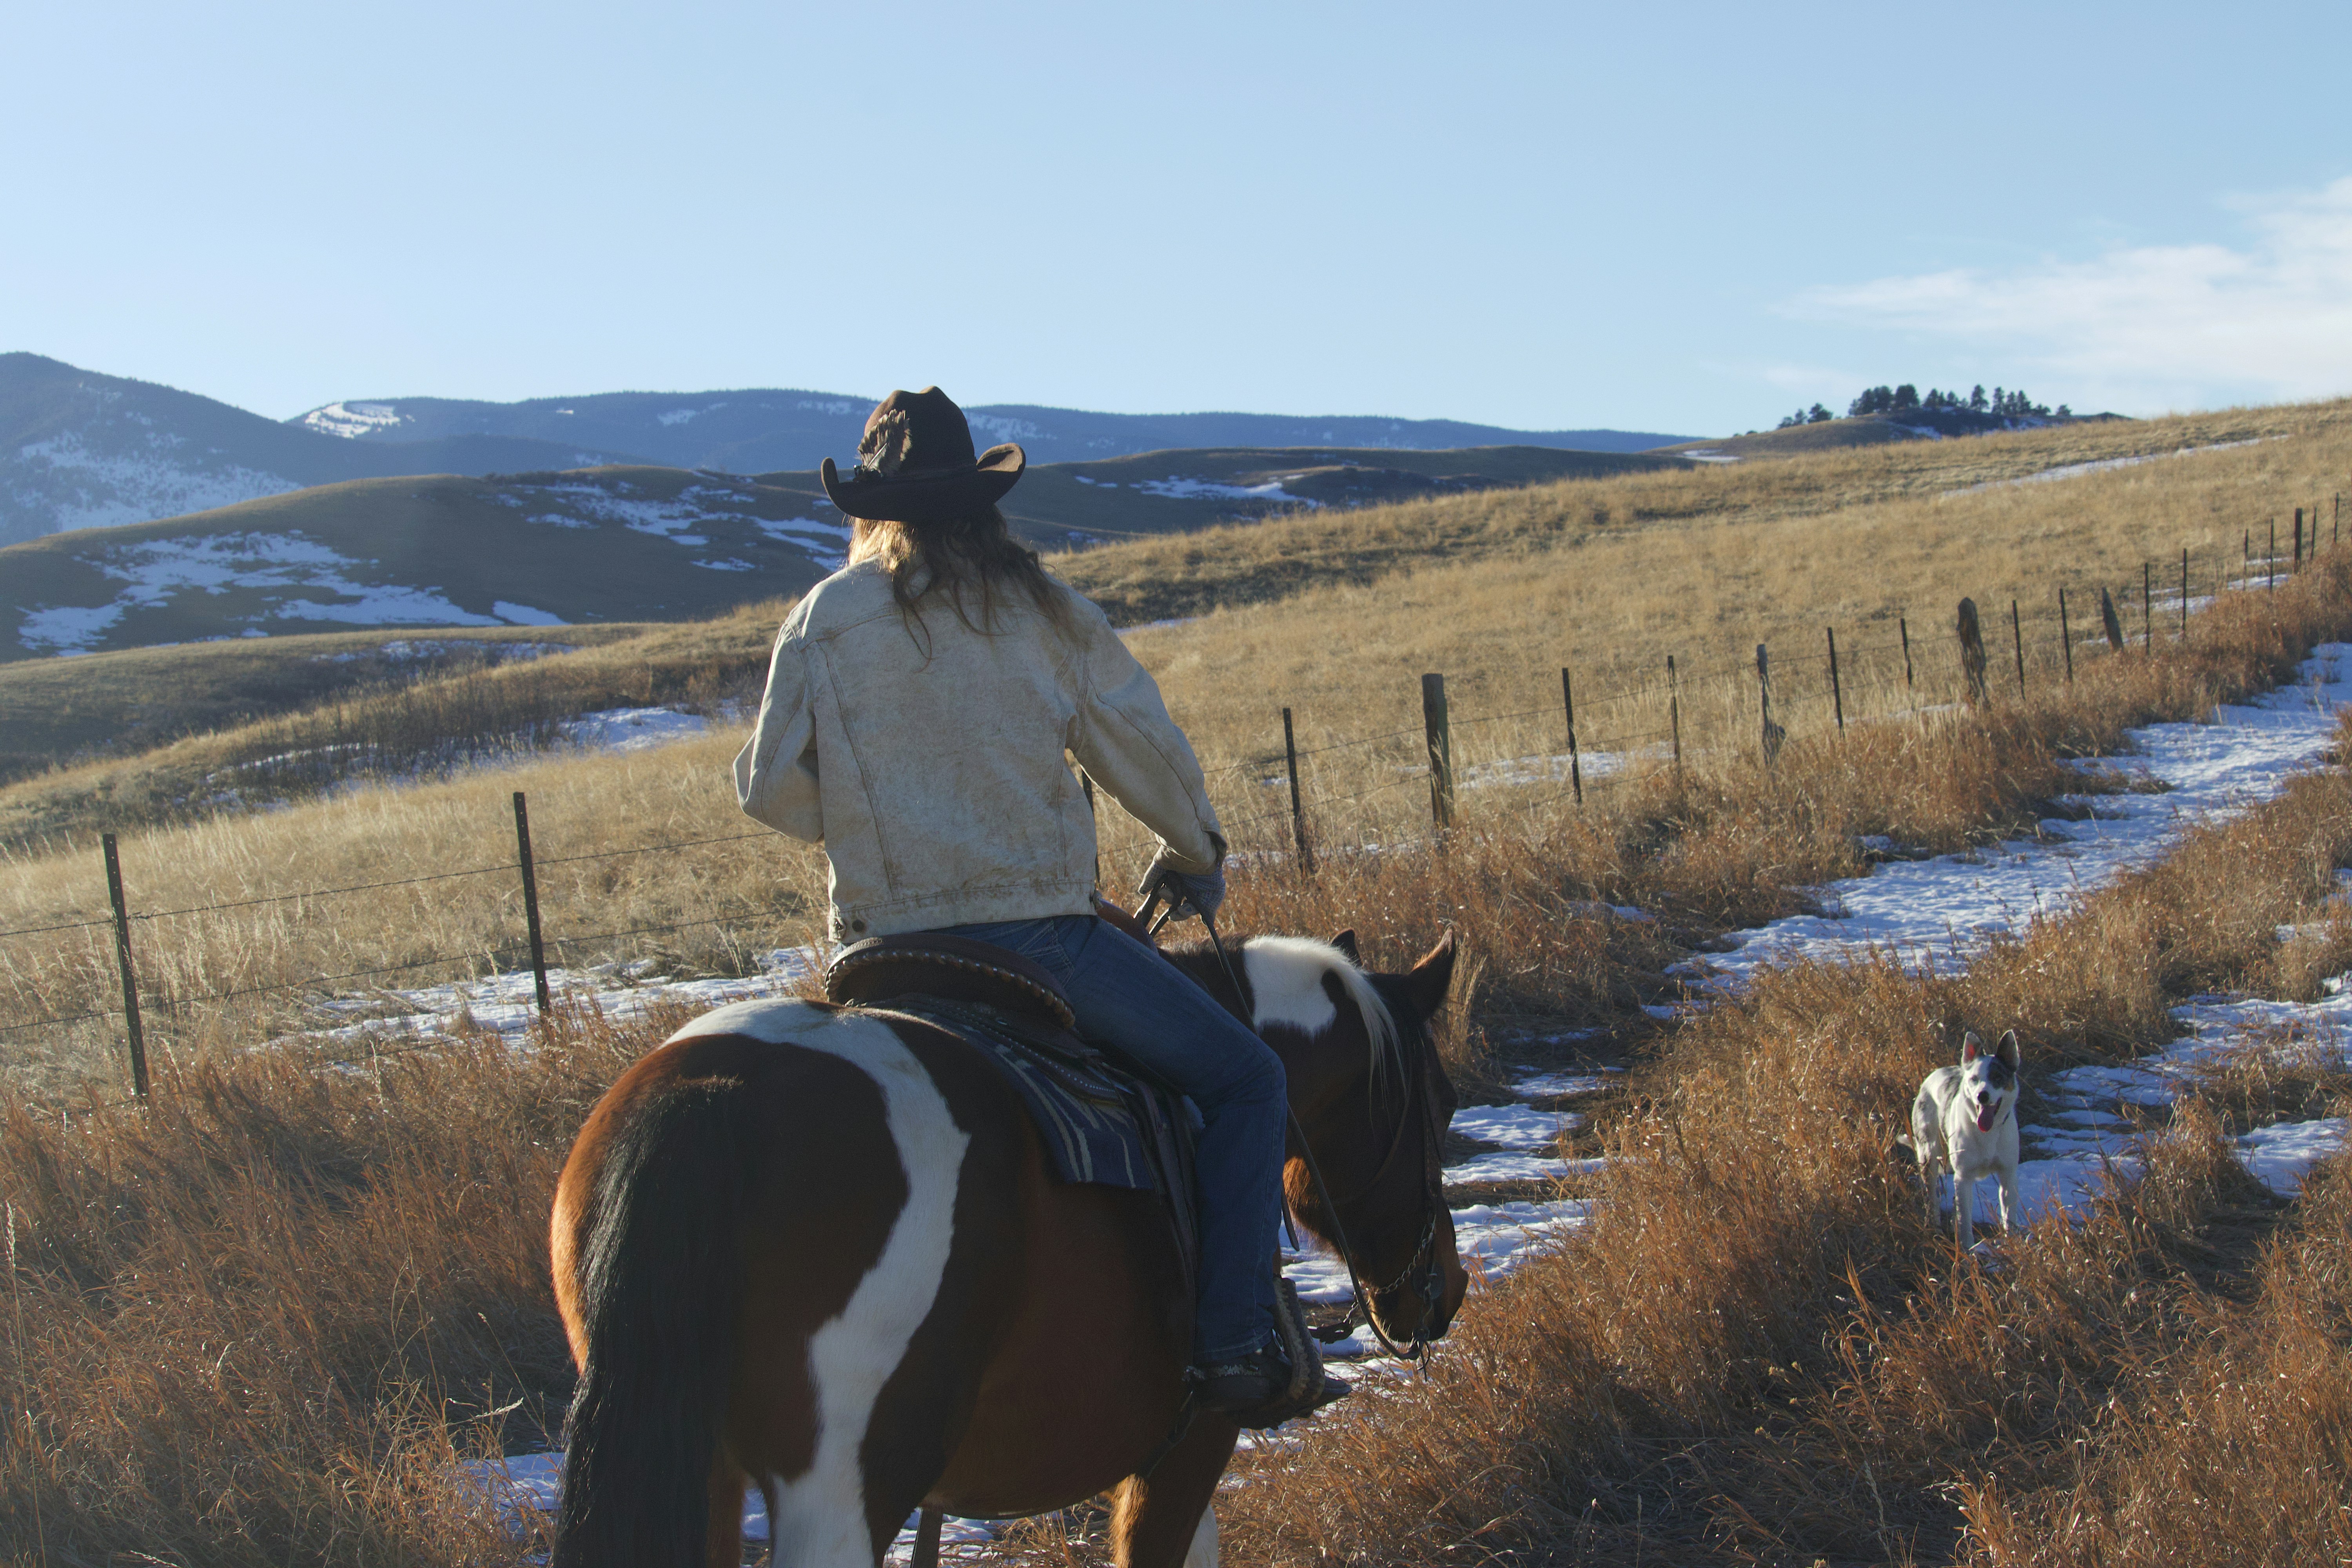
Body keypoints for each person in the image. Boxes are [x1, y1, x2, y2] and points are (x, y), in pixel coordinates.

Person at [733, 386, 1308, 1421]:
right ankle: (1231, 1343)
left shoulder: (823, 617)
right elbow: (1140, 746)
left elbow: (767, 790)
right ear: (981, 505)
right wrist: (1191, 850)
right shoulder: (1042, 612)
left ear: (874, 508)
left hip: (879, 952)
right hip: (1042, 938)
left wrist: (871, 816)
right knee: (1246, 1080)